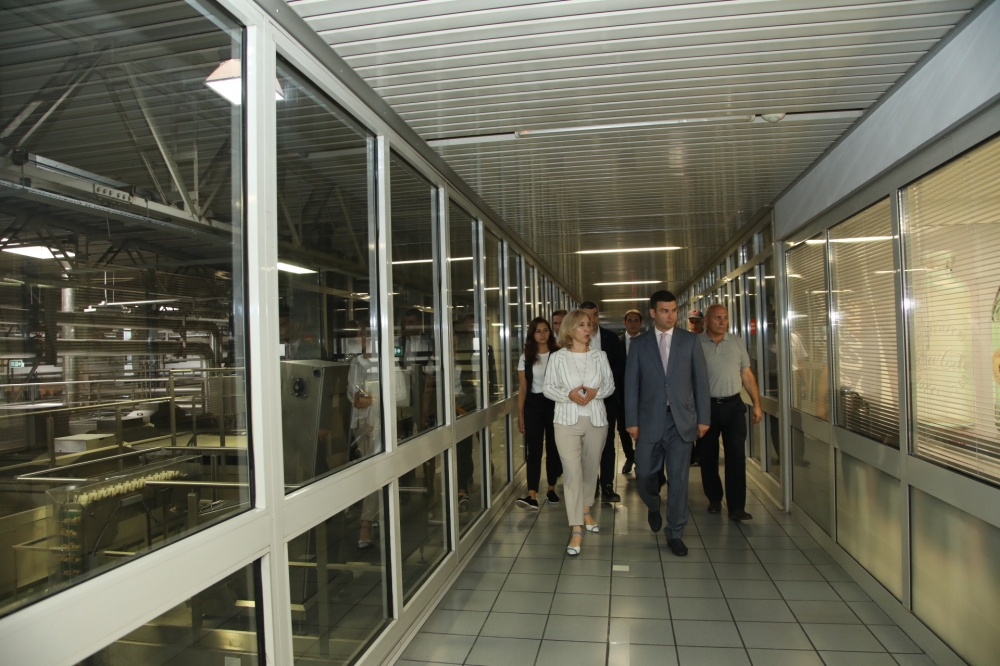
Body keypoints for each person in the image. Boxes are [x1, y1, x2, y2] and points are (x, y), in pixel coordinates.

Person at [624, 290, 710, 557]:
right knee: (645, 473)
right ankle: (652, 504)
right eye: (664, 311)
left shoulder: (690, 341)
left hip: (681, 421)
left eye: (674, 310)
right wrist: (631, 421)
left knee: (679, 479)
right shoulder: (640, 344)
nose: (670, 316)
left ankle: (675, 532)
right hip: (648, 420)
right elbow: (631, 385)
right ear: (653, 313)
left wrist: (704, 418)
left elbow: (701, 381)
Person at [543, 309, 615, 556]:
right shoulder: (558, 357)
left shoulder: (600, 356)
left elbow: (610, 384)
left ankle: (586, 509)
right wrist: (569, 395)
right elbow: (548, 388)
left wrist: (596, 393)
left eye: (589, 324)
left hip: (596, 419)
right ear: (569, 330)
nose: (587, 328)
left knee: (590, 468)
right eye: (582, 325)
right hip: (566, 421)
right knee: (572, 472)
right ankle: (576, 528)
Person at [695, 304, 762, 521]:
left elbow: (746, 374)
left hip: (733, 406)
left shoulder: (736, 342)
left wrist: (757, 404)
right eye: (717, 318)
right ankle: (714, 498)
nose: (722, 322)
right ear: (706, 320)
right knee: (708, 456)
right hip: (706, 408)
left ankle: (737, 507)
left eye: (725, 318)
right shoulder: (695, 344)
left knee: (736, 456)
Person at [578, 301, 626, 502]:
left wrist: (599, 383)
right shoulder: (574, 337)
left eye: (595, 315)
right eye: (587, 315)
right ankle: (591, 484)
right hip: (581, 400)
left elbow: (620, 366)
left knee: (606, 442)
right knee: (585, 444)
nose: (591, 320)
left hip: (606, 399)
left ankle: (607, 485)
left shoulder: (611, 338)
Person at [516, 317, 562, 510]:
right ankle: (532, 494)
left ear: (550, 332)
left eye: (545, 330)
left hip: (554, 404)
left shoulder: (559, 354)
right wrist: (520, 413)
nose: (542, 334)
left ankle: (551, 488)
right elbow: (523, 387)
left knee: (553, 447)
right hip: (533, 405)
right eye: (538, 331)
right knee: (533, 450)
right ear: (532, 334)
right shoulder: (526, 356)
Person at [347, 320, 381, 547]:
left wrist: (372, 399)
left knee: (372, 472)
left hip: (377, 424)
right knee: (367, 471)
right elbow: (351, 391)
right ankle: (374, 511)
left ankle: (366, 522)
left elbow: (398, 393)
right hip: (359, 423)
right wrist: (358, 399)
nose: (361, 339)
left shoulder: (385, 361)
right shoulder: (355, 363)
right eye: (358, 335)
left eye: (364, 335)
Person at [618, 309, 643, 473]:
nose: (633, 324)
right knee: (622, 427)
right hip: (621, 392)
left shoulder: (648, 342)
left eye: (636, 321)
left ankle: (641, 460)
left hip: (643, 392)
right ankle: (630, 456)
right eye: (630, 320)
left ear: (641, 323)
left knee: (642, 427)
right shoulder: (617, 342)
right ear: (625, 323)